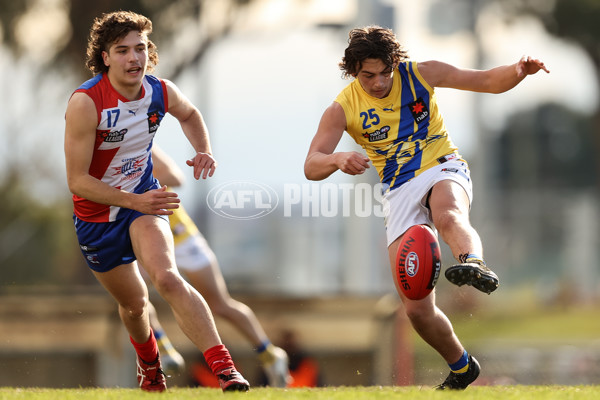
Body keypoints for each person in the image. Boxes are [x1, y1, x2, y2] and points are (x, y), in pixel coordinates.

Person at [304, 26, 549, 390]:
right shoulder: (342, 108)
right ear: (352, 71)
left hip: (442, 165)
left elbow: (485, 82)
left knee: (448, 213)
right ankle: (462, 366)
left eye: (384, 72)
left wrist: (517, 71)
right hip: (398, 189)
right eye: (367, 75)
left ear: (394, 63)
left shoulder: (422, 74)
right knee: (416, 308)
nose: (377, 82)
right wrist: (337, 158)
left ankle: (473, 262)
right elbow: (311, 165)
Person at [64, 11, 249, 392]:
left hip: (144, 205)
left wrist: (204, 149)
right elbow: (78, 181)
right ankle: (149, 366)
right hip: (97, 218)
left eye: (141, 48)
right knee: (135, 306)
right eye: (123, 51)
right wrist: (134, 200)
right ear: (106, 57)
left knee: (167, 277)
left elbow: (190, 114)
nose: (135, 58)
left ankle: (225, 369)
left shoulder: (160, 90)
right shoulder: (86, 103)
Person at [147, 146, 292, 387]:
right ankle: (163, 348)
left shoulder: (139, 138)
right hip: (140, 238)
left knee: (220, 303)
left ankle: (270, 354)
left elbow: (175, 177)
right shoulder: (93, 151)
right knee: (134, 298)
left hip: (180, 235)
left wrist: (136, 181)